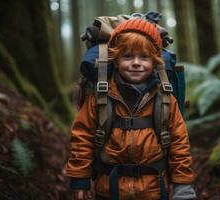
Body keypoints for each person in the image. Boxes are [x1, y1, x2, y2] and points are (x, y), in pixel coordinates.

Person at [65, 17, 196, 200]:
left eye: (144, 57)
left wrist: (183, 184)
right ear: (116, 61)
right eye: (127, 56)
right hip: (108, 190)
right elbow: (82, 136)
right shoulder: (100, 96)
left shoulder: (165, 98)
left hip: (155, 190)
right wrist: (80, 179)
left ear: (155, 62)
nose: (136, 63)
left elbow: (179, 142)